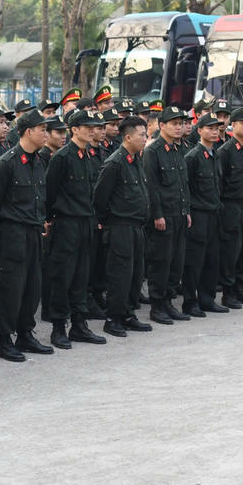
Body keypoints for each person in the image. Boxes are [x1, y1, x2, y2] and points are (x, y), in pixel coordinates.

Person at [0, 109, 52, 361]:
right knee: (11, 287)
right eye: (42, 129)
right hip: (13, 233)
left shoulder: (38, 160)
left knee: (32, 286)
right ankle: (4, 339)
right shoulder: (7, 163)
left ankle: (25, 332)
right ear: (27, 132)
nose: (46, 134)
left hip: (34, 230)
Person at [43, 109, 107, 347]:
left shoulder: (88, 155)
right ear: (74, 130)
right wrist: (49, 219)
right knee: (63, 275)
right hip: (66, 223)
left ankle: (80, 325)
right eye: (87, 127)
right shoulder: (62, 157)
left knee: (82, 275)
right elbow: (49, 192)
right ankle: (59, 327)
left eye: (94, 127)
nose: (92, 131)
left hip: (86, 222)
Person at [93, 115, 152, 337]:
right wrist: (108, 221)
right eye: (141, 135)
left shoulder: (135, 159)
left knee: (136, 274)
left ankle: (128, 313)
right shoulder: (115, 163)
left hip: (137, 227)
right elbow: (100, 198)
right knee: (120, 274)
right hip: (120, 227)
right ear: (127, 137)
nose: (145, 139)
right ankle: (114, 318)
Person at [142, 106, 192, 325]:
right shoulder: (153, 151)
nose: (179, 127)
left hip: (179, 213)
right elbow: (151, 187)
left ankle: (169, 302)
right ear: (161, 126)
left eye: (181, 123)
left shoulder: (179, 149)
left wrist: (187, 210)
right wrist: (157, 215)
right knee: (161, 262)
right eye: (174, 123)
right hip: (163, 216)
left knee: (176, 261)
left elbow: (183, 184)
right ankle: (157, 305)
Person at [182, 113, 227, 316]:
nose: (214, 131)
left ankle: (207, 299)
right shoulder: (192, 157)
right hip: (198, 214)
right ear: (199, 130)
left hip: (214, 213)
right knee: (195, 260)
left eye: (217, 128)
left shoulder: (215, 154)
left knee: (212, 258)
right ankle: (190, 302)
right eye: (209, 128)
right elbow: (185, 188)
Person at [216, 107, 243, 309]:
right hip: (233, 207)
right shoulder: (225, 151)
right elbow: (219, 182)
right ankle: (228, 292)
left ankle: (240, 288)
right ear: (233, 126)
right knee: (231, 251)